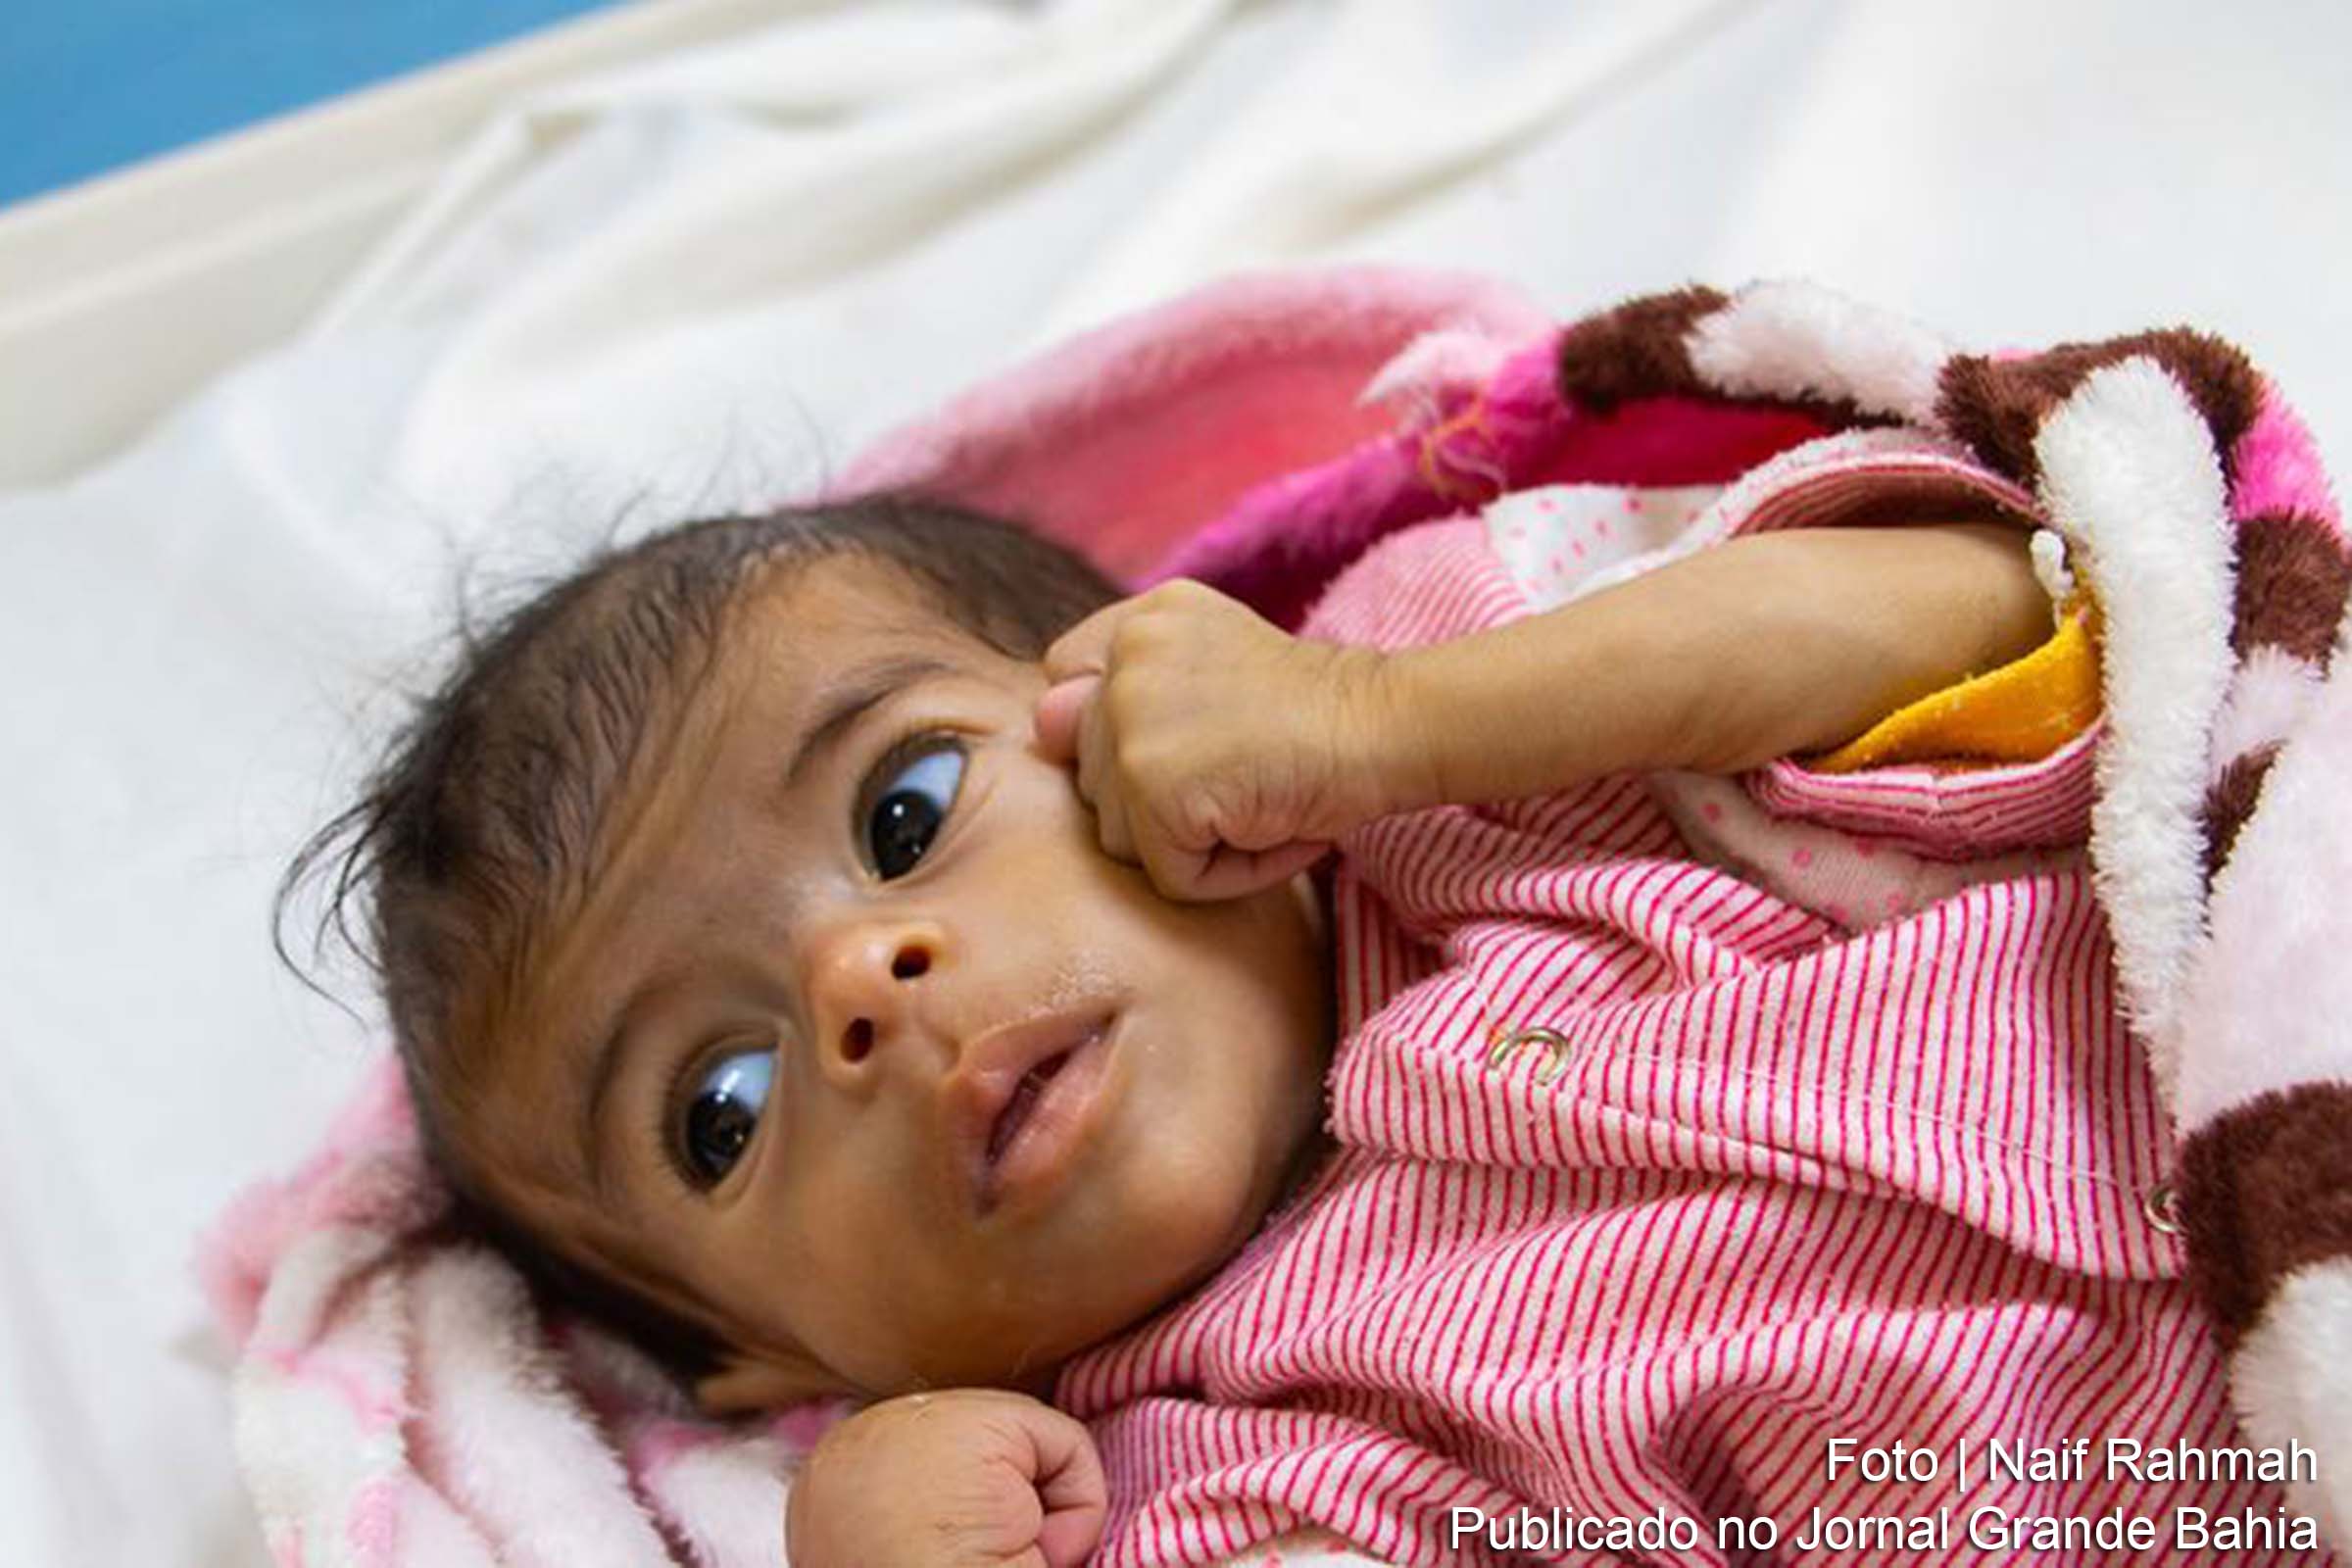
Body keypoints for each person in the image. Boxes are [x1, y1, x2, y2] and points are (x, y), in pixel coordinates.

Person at [292, 474, 2263, 1567]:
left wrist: (1390, 723)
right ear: (758, 1360)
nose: (854, 987)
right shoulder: (1169, 1470)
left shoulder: (1476, 725)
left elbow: (2006, 601)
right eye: (718, 1107)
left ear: (1133, 688)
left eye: (905, 811)